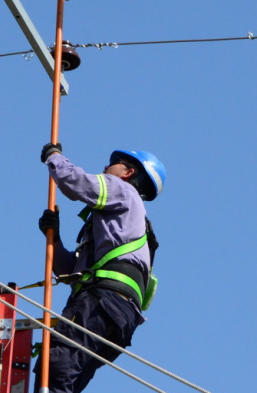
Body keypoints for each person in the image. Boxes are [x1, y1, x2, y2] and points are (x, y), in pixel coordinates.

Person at [34, 144, 166, 393]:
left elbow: (74, 182)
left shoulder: (123, 191)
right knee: (67, 379)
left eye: (114, 163)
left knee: (56, 368)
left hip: (99, 302)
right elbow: (69, 273)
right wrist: (55, 239)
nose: (106, 167)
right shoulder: (124, 225)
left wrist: (53, 156)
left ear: (129, 173)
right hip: (118, 317)